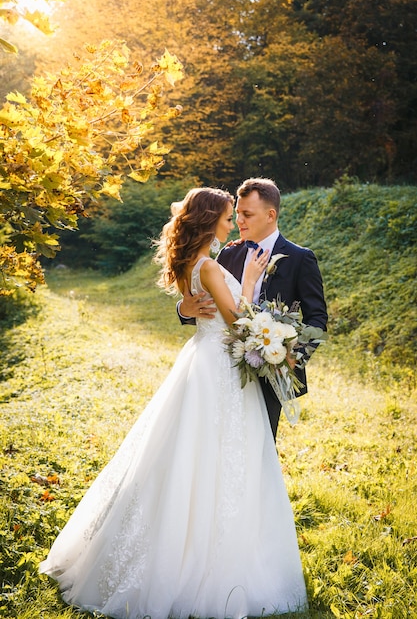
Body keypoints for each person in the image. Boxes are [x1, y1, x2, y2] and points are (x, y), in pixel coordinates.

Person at [39, 187, 308, 619]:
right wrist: (253, 281)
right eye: (226, 216)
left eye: (239, 215)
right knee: (211, 458)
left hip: (206, 365)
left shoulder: (198, 263)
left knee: (199, 456)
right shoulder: (213, 265)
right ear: (209, 221)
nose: (232, 223)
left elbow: (211, 308)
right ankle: (204, 558)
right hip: (218, 371)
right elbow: (238, 321)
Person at [178, 177, 328, 438]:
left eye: (247, 214)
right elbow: (214, 312)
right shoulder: (227, 253)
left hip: (271, 372)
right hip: (224, 368)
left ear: (270, 215)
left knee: (260, 449)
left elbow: (317, 318)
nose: (239, 221)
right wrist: (184, 310)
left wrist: (294, 357)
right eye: (236, 214)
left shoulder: (300, 259)